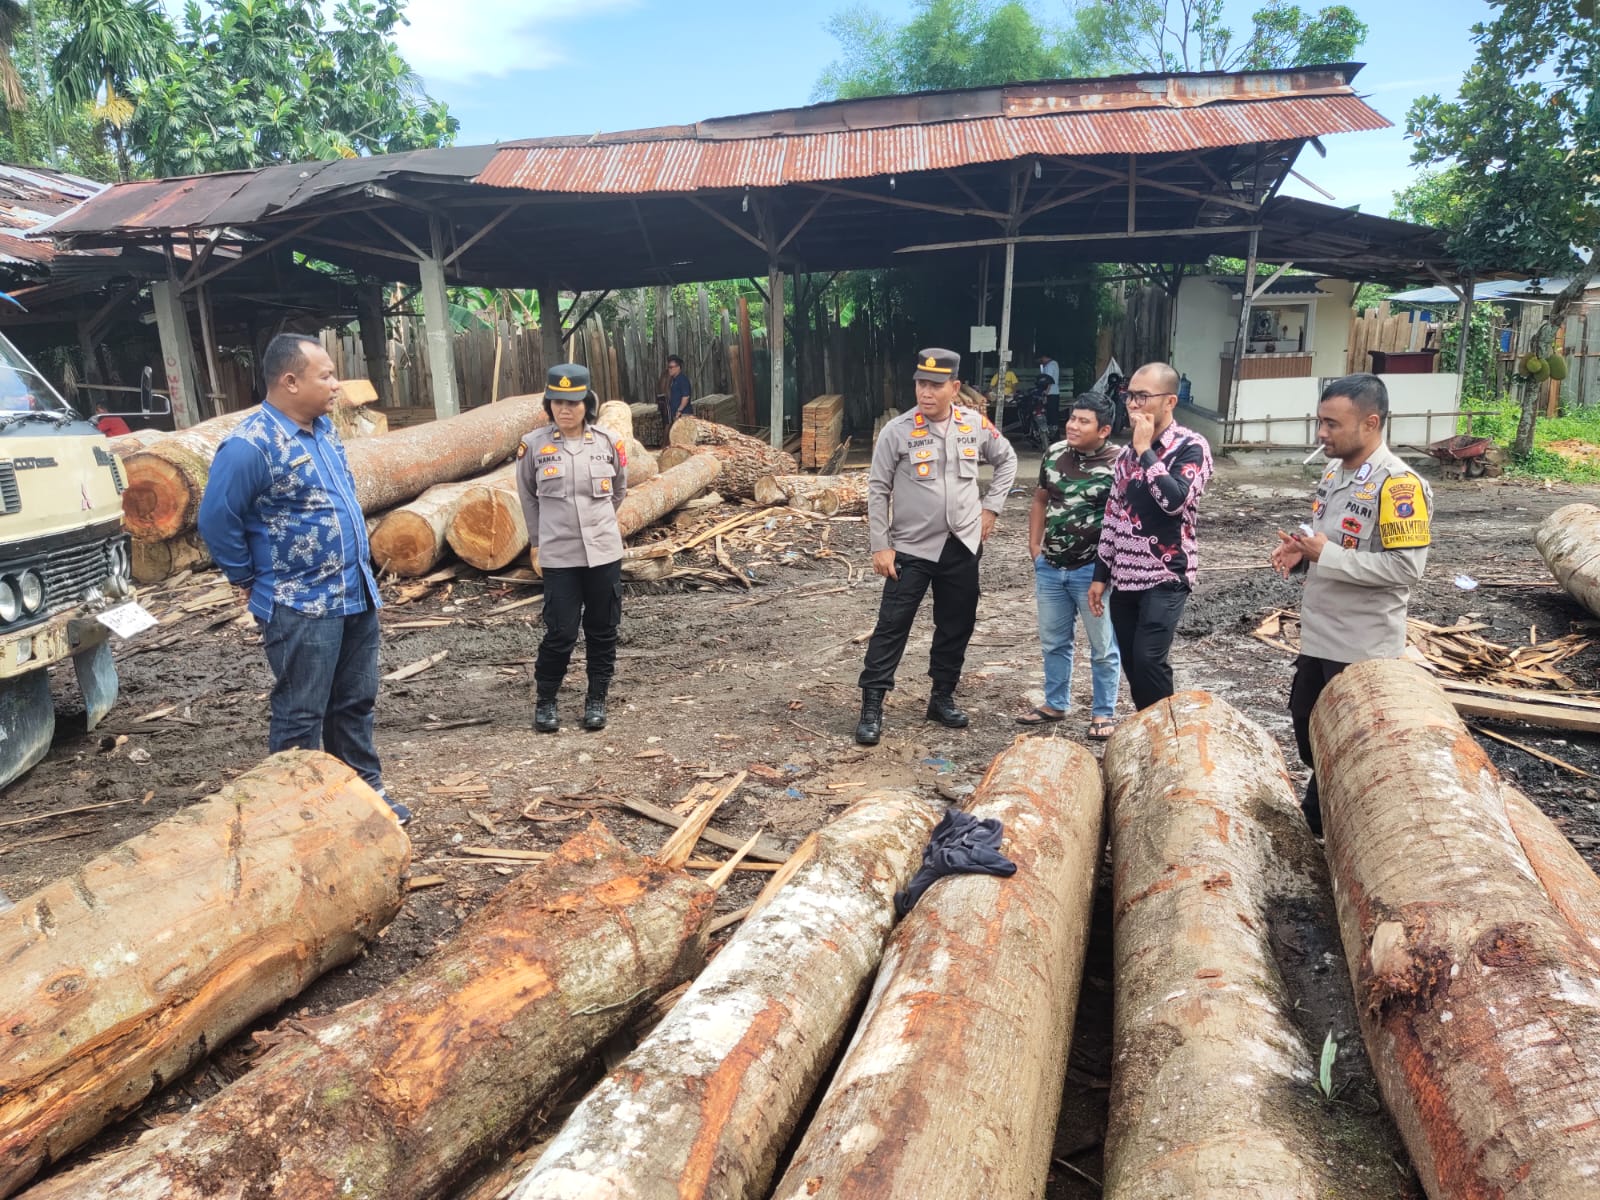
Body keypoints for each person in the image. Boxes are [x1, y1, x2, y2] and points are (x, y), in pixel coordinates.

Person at [197, 333, 409, 826]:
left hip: (354, 591)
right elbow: (216, 519)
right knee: (301, 710)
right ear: (290, 381)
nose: (337, 385)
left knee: (354, 701)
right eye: (326, 375)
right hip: (299, 602)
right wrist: (245, 576)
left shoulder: (325, 431)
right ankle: (295, 812)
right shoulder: (250, 445)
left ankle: (363, 794)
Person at [1271, 373, 1432, 836]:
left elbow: (1405, 570)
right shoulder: (1335, 472)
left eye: (1332, 424)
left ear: (1371, 423)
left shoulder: (1400, 487)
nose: (1321, 433)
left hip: (1362, 644)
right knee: (1306, 727)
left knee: (1348, 743)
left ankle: (1333, 824)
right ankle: (1324, 810)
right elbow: (1328, 535)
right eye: (1320, 422)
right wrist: (1302, 551)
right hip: (1320, 633)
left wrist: (1328, 554)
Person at [855, 347, 1018, 745]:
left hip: (962, 543)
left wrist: (991, 508)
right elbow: (878, 490)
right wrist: (881, 545)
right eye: (920, 384)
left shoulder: (973, 424)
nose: (925, 392)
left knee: (956, 624)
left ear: (954, 387)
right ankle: (872, 705)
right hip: (910, 547)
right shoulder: (898, 430)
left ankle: (941, 697)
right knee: (892, 626)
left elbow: (1008, 459)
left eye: (935, 385)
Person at [1087, 361, 1212, 712]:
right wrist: (1101, 574)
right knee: (1131, 662)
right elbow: (1113, 514)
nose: (1133, 404)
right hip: (1124, 577)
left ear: (1169, 401)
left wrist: (1146, 451)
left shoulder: (1192, 447)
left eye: (1143, 396)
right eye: (1129, 396)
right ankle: (1149, 727)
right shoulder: (1124, 456)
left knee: (1148, 659)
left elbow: (1173, 502)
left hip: (1166, 574)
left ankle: (1166, 735)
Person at [517, 363, 628, 734]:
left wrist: (598, 528)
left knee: (602, 629)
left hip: (603, 554)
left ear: (587, 404)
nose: (565, 410)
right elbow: (529, 499)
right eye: (557, 403)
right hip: (560, 556)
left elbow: (619, 492)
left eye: (574, 403)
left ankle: (596, 698)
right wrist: (539, 542)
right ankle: (546, 701)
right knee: (560, 631)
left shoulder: (608, 443)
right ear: (548, 405)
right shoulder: (533, 446)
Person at [1020, 393, 1122, 738]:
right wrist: (1035, 547)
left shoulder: (1121, 463)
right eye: (1072, 418)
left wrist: (1108, 570)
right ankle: (1055, 703)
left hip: (1092, 572)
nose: (1073, 425)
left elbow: (1127, 520)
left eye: (1083, 421)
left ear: (1104, 429)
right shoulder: (1055, 453)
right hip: (1051, 567)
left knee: (1103, 647)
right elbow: (1040, 499)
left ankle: (1103, 713)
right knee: (1053, 641)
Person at [1036, 351, 1061, 438]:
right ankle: (1054, 434)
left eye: (1041, 359)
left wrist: (1046, 392)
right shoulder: (1053, 364)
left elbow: (1048, 380)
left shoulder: (1050, 366)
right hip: (1054, 393)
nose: (1041, 361)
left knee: (1052, 415)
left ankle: (1054, 435)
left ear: (1044, 357)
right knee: (1053, 414)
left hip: (1051, 393)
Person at [665, 354, 692, 426]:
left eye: (671, 367)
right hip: (678, 415)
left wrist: (679, 411)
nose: (669, 369)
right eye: (668, 367)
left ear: (678, 367)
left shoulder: (683, 380)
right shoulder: (674, 380)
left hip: (683, 415)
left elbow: (686, 397)